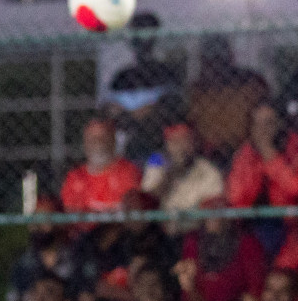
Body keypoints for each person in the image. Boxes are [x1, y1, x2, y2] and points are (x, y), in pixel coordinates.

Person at [226, 101, 298, 270]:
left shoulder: (293, 145)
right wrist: (256, 167)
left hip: (291, 222)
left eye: (268, 123)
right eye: (257, 124)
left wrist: (270, 156)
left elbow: (294, 187)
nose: (263, 129)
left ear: (280, 123)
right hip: (255, 223)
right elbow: (237, 198)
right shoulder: (245, 153)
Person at [104, 13, 183, 165]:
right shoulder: (123, 78)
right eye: (136, 35)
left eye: (147, 34)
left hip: (161, 148)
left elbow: (170, 110)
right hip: (131, 148)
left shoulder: (167, 73)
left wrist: (145, 112)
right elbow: (112, 113)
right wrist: (140, 113)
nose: (141, 41)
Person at [174, 200, 267, 301]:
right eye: (209, 208)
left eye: (219, 208)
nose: (213, 213)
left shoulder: (247, 243)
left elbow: (255, 291)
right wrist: (189, 286)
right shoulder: (193, 240)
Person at [186, 35, 269, 163]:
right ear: (203, 61)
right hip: (208, 155)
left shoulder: (250, 83)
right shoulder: (197, 90)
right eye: (210, 61)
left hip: (246, 152)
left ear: (230, 58)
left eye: (220, 59)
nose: (216, 65)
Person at [140, 124, 224, 234]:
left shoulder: (208, 171)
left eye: (185, 141)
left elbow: (213, 209)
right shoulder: (157, 168)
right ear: (167, 146)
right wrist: (169, 175)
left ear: (194, 144)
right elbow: (147, 200)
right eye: (175, 142)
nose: (180, 148)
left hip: (196, 233)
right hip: (162, 233)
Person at [60, 119, 141, 217]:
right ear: (85, 143)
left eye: (103, 138)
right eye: (92, 138)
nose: (98, 143)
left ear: (113, 141)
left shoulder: (128, 171)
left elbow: (130, 207)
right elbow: (70, 210)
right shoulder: (75, 177)